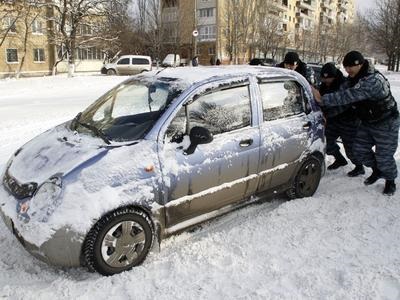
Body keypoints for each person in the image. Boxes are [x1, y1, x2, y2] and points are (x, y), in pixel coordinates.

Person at [313, 51, 399, 195]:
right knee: (358, 151)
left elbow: (348, 96)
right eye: (345, 67)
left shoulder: (373, 80)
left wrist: (322, 99)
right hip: (368, 122)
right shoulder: (353, 79)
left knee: (384, 156)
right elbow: (342, 93)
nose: (347, 70)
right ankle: (377, 171)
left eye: (350, 67)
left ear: (359, 64)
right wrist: (323, 110)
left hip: (386, 123)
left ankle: (390, 181)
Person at [318, 62, 365, 176]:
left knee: (350, 149)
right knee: (326, 143)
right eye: (324, 79)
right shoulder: (324, 84)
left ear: (334, 76)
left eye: (329, 79)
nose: (326, 81)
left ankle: (359, 167)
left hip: (349, 120)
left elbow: (344, 106)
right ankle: (339, 159)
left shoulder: (344, 84)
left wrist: (326, 114)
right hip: (333, 120)